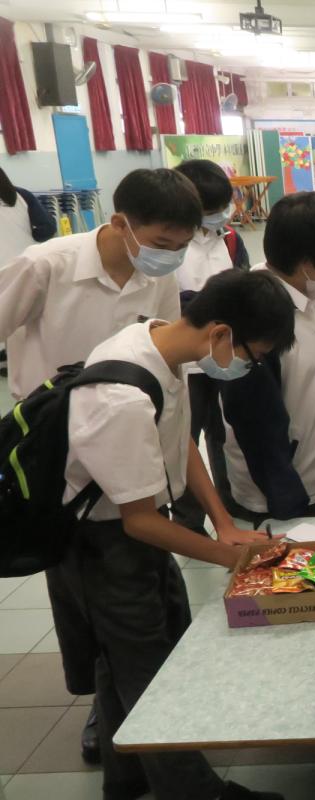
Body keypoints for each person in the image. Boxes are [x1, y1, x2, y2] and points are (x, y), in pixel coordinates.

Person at [60, 269, 293, 800]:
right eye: (254, 356)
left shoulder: (161, 349)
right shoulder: (121, 394)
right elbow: (138, 521)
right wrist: (230, 560)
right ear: (221, 333)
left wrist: (224, 523)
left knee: (127, 657)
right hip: (103, 545)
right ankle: (196, 793)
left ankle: (126, 779)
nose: (250, 368)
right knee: (148, 671)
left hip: (131, 534)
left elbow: (177, 442)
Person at [0, 167, 194, 764]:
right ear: (120, 224)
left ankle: (130, 722)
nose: (169, 255)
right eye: (161, 243)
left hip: (133, 448)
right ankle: (106, 715)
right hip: (59, 460)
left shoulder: (158, 275)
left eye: (180, 246)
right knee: (82, 594)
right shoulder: (47, 265)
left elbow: (166, 358)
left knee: (141, 593)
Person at [219, 192, 315, 525]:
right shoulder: (256, 316)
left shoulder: (311, 292)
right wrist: (285, 497)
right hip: (286, 496)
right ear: (307, 262)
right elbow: (254, 423)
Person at [170, 159, 250, 532]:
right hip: (182, 366)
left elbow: (244, 288)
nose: (220, 214)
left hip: (224, 357)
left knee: (226, 436)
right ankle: (188, 522)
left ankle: (229, 508)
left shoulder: (231, 240)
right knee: (184, 440)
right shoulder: (171, 247)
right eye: (211, 209)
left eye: (223, 206)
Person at [0, 165, 56, 379]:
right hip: (26, 263)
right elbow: (47, 228)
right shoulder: (21, 195)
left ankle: (7, 357)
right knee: (25, 312)